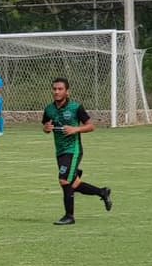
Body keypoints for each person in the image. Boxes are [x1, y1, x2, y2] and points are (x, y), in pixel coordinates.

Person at [43, 78, 113, 225]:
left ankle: (69, 216)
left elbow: (91, 126)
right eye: (54, 89)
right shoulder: (49, 109)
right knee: (73, 184)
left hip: (73, 150)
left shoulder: (76, 108)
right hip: (59, 151)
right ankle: (102, 192)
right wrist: (46, 129)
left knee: (64, 180)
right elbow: (46, 126)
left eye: (60, 89)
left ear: (67, 91)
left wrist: (76, 129)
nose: (56, 91)